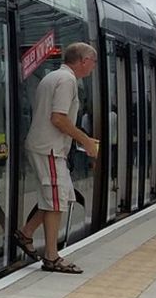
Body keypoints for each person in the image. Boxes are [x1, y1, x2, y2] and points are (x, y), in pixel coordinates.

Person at [14, 42, 99, 274]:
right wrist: (86, 140)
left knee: (58, 197)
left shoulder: (52, 77)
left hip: (47, 146)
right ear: (83, 61)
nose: (93, 68)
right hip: (49, 148)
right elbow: (58, 119)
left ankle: (26, 233)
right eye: (93, 62)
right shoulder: (68, 81)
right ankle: (51, 257)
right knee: (55, 200)